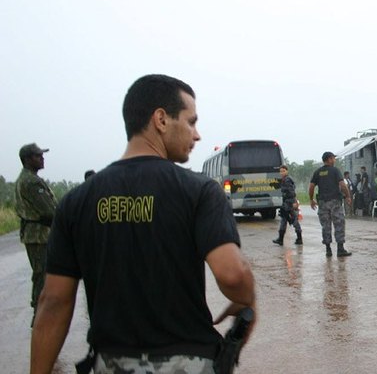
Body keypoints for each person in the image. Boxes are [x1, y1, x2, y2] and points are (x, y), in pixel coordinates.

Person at [30, 74, 257, 374]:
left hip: (110, 363)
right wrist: (247, 298)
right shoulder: (198, 191)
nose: (197, 134)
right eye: (191, 122)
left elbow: (54, 302)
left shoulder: (76, 201)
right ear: (161, 119)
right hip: (188, 362)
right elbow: (232, 274)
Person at [15, 143, 57, 327]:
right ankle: (40, 317)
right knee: (42, 275)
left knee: (43, 274)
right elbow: (48, 211)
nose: (42, 158)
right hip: (39, 235)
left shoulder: (28, 179)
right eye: (38, 156)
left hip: (37, 234)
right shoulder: (31, 182)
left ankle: (41, 315)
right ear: (27, 159)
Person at [309, 152, 352, 257]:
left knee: (326, 226)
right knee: (339, 224)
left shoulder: (317, 172)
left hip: (322, 203)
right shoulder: (335, 171)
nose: (334, 160)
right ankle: (340, 249)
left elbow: (311, 186)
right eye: (333, 158)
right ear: (329, 159)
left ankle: (328, 250)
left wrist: (311, 199)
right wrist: (348, 196)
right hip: (335, 202)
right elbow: (342, 185)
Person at [273, 165, 303, 245]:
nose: (282, 173)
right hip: (286, 203)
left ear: (287, 171)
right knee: (284, 219)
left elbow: (291, 192)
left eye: (283, 171)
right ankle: (281, 239)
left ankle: (299, 238)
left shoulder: (287, 180)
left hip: (289, 203)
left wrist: (293, 202)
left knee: (293, 220)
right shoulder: (284, 180)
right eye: (281, 171)